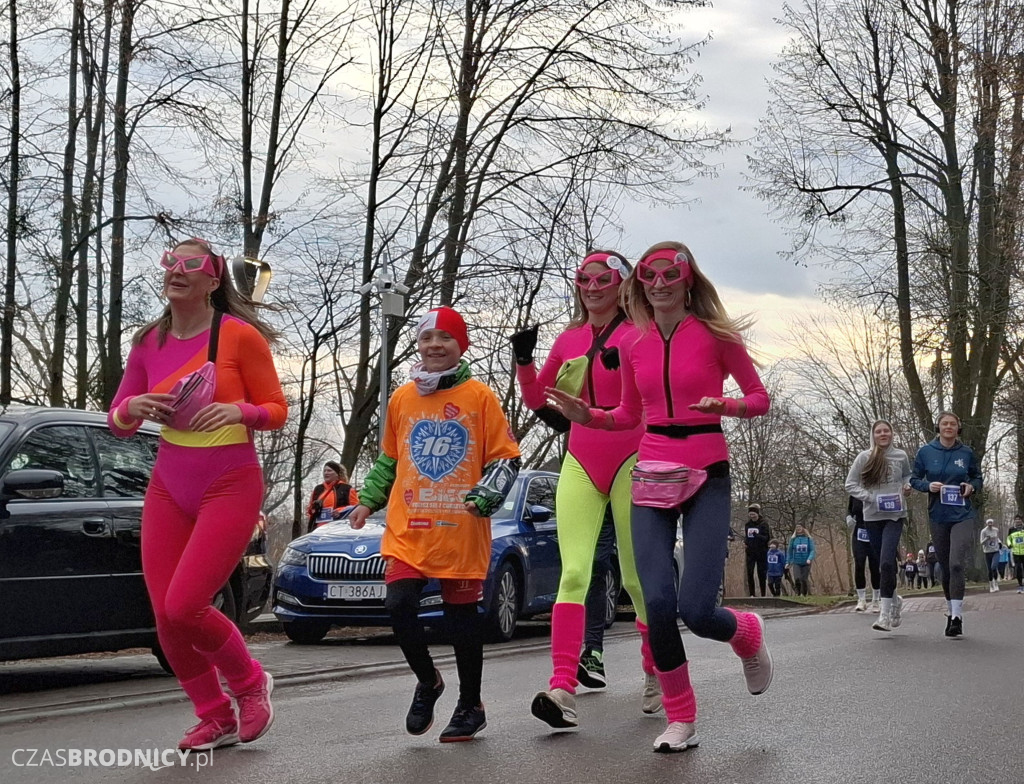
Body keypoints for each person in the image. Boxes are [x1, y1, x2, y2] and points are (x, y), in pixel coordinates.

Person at [546, 241, 773, 753]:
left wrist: (728, 406)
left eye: (671, 273)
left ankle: (746, 634)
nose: (660, 282)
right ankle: (681, 718)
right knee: (656, 599)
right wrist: (589, 417)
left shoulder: (716, 336)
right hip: (651, 471)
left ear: (688, 279)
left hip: (707, 471)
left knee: (696, 608)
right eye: (650, 274)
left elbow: (760, 397)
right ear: (641, 283)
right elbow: (627, 414)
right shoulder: (635, 344)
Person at [107, 238, 287, 751]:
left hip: (229, 481)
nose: (176, 270)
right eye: (170, 262)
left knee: (187, 604)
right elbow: (116, 422)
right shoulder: (147, 341)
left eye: (191, 264)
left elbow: (276, 409)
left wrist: (241, 412)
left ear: (213, 281)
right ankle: (214, 715)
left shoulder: (238, 336)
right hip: (169, 483)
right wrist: (134, 406)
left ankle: (251, 684)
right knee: (164, 612)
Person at [348, 307, 521, 743]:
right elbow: (390, 458)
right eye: (427, 339)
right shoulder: (402, 398)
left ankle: (470, 705)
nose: (435, 346)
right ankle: (428, 682)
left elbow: (505, 456)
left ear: (461, 346)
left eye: (445, 338)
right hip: (409, 526)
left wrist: (489, 490)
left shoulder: (481, 397)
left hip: (460, 526)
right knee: (398, 604)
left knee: (461, 619)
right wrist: (367, 502)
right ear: (419, 347)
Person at [512, 250, 657, 730]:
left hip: (631, 458)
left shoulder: (641, 332)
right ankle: (561, 689)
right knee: (573, 572)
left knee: (635, 579)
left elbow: (650, 402)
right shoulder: (569, 337)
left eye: (602, 278)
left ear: (621, 283)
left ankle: (656, 672)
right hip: (580, 461)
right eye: (583, 278)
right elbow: (538, 400)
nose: (591, 286)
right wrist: (526, 361)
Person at [909, 411, 982, 637]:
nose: (948, 427)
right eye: (944, 424)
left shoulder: (966, 452)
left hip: (962, 515)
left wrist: (972, 487)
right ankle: (951, 613)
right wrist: (927, 486)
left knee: (956, 563)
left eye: (952, 424)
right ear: (938, 427)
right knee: (944, 567)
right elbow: (914, 479)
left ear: (957, 427)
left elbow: (977, 477)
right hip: (938, 515)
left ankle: (958, 616)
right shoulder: (926, 452)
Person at [845, 419, 912, 630]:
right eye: (879, 432)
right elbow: (850, 484)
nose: (883, 434)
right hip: (872, 517)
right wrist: (868, 497)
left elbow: (908, 475)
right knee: (884, 564)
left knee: (885, 562)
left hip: (895, 515)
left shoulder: (901, 456)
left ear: (892, 434)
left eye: (886, 431)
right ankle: (895, 601)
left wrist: (908, 485)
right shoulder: (864, 457)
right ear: (873, 435)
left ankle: (883, 615)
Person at [847, 496, 881, 612]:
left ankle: (876, 600)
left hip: (874, 531)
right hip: (859, 533)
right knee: (859, 563)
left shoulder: (876, 490)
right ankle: (861, 599)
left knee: (875, 566)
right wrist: (848, 517)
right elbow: (850, 509)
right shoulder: (855, 493)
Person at [306, 461, 359, 532]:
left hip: (339, 529)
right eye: (324, 471)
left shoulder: (347, 489)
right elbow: (309, 510)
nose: (326, 473)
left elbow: (356, 508)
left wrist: (341, 511)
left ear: (337, 474)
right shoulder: (317, 489)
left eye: (329, 470)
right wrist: (313, 509)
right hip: (318, 529)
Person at [743, 504, 771, 597]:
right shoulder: (748, 525)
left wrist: (757, 535)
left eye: (754, 514)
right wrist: (745, 542)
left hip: (761, 551)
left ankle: (763, 594)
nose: (752, 516)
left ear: (757, 514)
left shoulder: (763, 524)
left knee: (761, 573)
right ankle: (752, 594)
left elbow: (766, 538)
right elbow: (747, 537)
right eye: (750, 515)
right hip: (750, 552)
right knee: (750, 572)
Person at [786, 525, 816, 596]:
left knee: (804, 579)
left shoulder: (808, 539)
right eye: (797, 527)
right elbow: (789, 552)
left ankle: (804, 594)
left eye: (800, 527)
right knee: (797, 578)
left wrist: (809, 558)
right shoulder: (793, 539)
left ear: (803, 528)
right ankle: (798, 593)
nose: (798, 529)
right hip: (796, 562)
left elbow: (812, 550)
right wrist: (788, 562)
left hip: (806, 562)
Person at [980, 518, 1002, 592]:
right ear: (986, 524)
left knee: (994, 566)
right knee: (989, 569)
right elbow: (981, 542)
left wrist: (1000, 543)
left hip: (995, 550)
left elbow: (997, 538)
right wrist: (987, 538)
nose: (990, 524)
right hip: (987, 551)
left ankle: (996, 583)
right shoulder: (983, 531)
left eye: (991, 523)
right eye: (988, 523)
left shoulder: (996, 530)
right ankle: (991, 585)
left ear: (993, 523)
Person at [1006, 517, 1024, 594]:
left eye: (1019, 520)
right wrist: (1009, 545)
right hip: (1016, 552)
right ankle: (1020, 585)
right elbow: (1008, 538)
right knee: (1018, 569)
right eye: (1016, 520)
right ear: (1014, 522)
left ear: (1021, 521)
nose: (1018, 522)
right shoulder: (1011, 529)